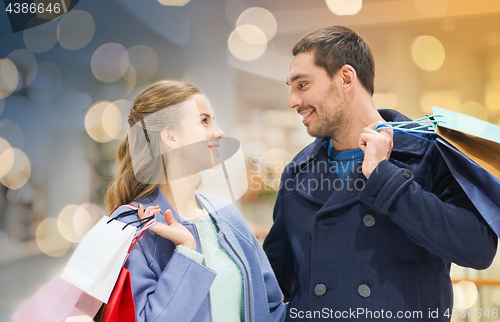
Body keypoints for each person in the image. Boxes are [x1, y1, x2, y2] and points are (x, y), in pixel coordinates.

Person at [263, 25, 498, 321]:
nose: (292, 101)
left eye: (303, 85)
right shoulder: (297, 173)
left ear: (346, 78)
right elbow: (274, 277)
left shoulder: (429, 153)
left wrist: (384, 177)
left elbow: (477, 249)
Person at [105, 80, 286, 322]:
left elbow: (272, 307)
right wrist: (187, 254)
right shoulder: (136, 229)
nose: (219, 132)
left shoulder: (227, 217)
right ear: (169, 136)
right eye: (204, 121)